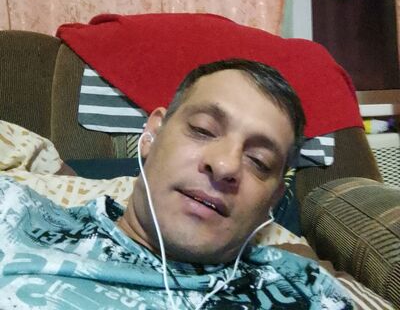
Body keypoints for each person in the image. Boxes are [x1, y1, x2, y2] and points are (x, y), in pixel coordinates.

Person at [0, 59, 355, 309]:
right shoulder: (14, 215)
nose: (225, 165)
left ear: (274, 198)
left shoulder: (305, 288)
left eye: (259, 161)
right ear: (153, 134)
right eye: (203, 130)